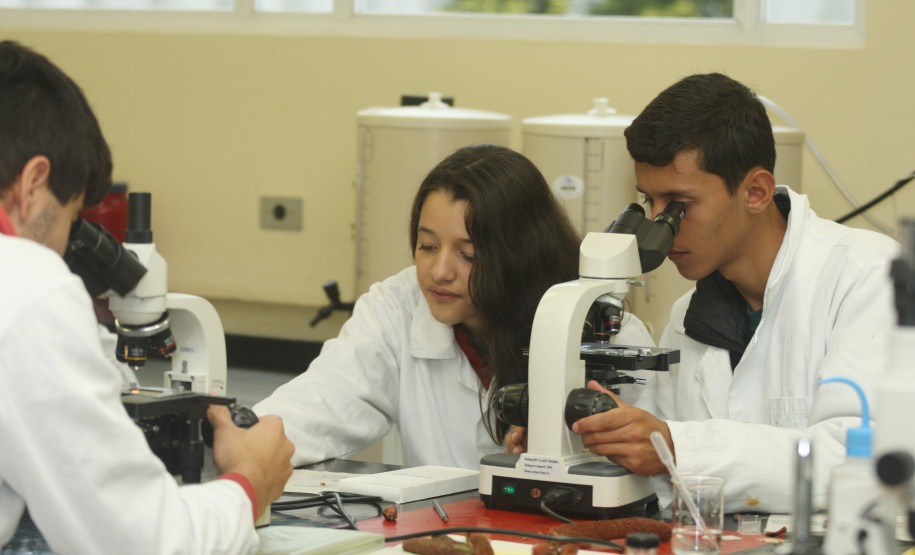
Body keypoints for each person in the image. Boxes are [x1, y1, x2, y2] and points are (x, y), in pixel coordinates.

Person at [0, 40, 294, 554]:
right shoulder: (26, 285)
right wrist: (251, 479)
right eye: (71, 220)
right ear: (33, 183)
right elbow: (145, 543)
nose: (65, 247)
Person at [568, 72, 899, 513]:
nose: (661, 227)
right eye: (650, 203)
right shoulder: (688, 316)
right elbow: (663, 473)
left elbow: (862, 459)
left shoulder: (869, 276)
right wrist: (588, 440)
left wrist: (678, 447)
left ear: (756, 192)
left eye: (680, 206)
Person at [254, 144, 655, 469]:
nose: (439, 271)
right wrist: (243, 439)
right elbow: (323, 401)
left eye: (469, 255)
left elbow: (654, 473)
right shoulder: (398, 305)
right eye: (427, 246)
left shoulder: (607, 333)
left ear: (519, 256)